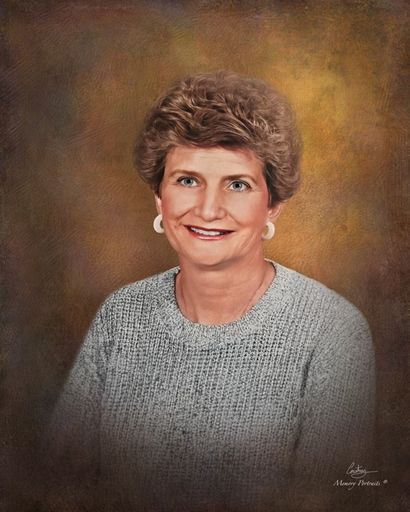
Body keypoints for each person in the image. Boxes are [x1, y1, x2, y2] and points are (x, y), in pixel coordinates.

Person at [44, 71, 376, 512]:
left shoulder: (332, 332)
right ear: (159, 197)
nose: (207, 209)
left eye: (237, 184)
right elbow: (57, 488)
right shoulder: (120, 317)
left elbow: (335, 501)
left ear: (273, 204)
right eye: (187, 180)